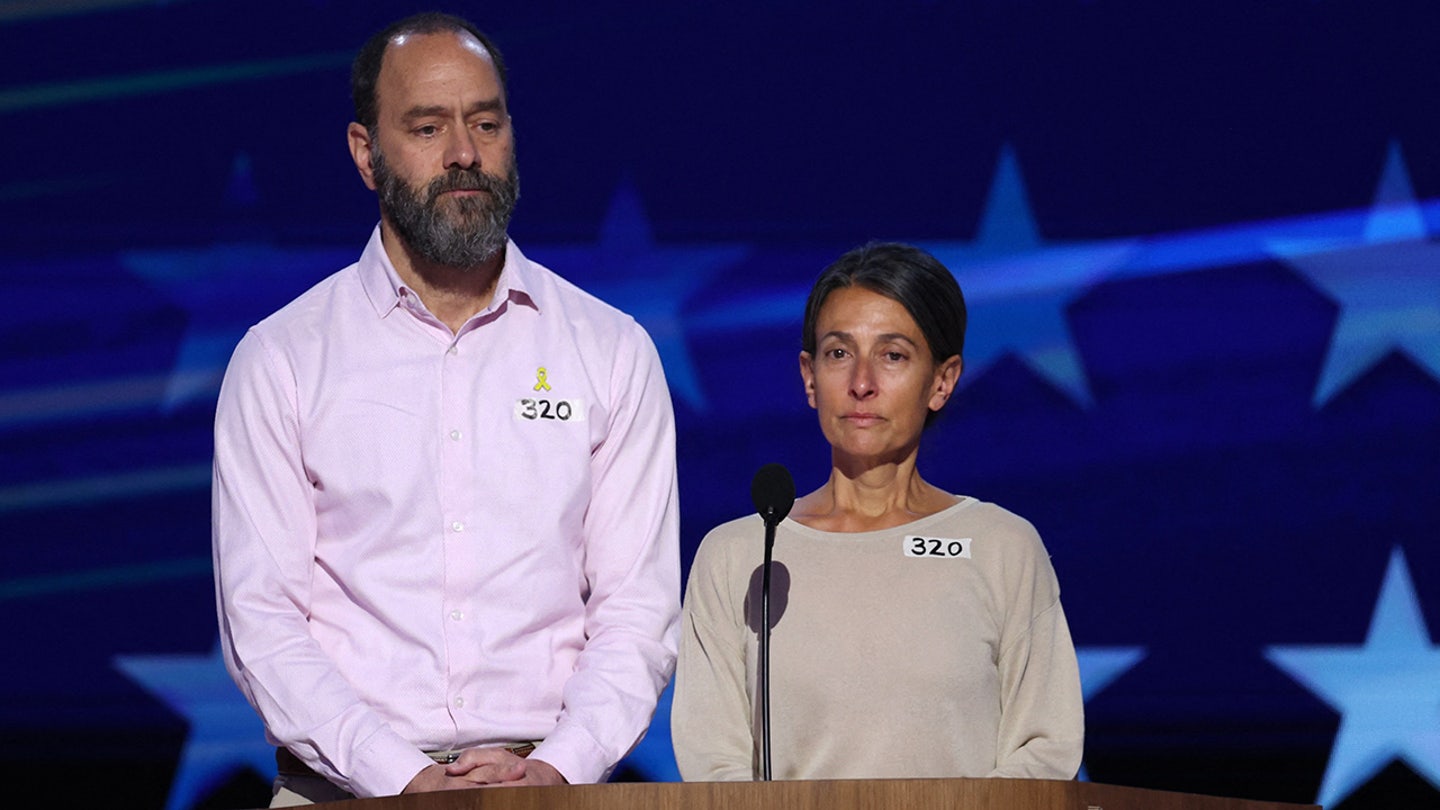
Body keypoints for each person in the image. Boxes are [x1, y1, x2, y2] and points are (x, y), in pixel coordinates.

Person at [211, 12, 680, 805]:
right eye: (428, 127)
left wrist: (559, 766)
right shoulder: (283, 358)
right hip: (343, 788)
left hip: (557, 783)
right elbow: (262, 622)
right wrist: (406, 779)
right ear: (366, 154)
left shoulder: (610, 350)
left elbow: (637, 608)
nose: (464, 154)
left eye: (485, 124)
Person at [671, 242, 1083, 781]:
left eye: (893, 355)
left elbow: (1044, 751)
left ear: (943, 380)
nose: (861, 383)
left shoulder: (1001, 545)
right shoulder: (740, 555)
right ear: (809, 377)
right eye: (839, 353)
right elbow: (713, 764)